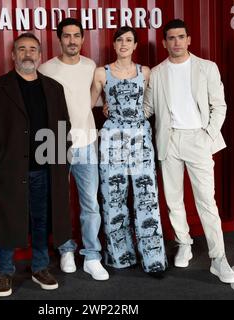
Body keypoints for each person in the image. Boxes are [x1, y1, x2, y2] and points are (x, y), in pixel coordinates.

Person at [143, 19, 234, 284]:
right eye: (171, 38)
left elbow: (220, 106)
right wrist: (115, 107)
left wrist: (207, 137)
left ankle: (218, 259)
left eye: (181, 37)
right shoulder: (157, 72)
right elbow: (147, 108)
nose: (176, 42)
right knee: (173, 199)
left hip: (198, 138)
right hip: (168, 140)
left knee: (206, 200)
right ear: (164, 43)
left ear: (189, 40)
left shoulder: (206, 68)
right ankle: (184, 243)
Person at [0, 33, 73, 297]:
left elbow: (62, 127)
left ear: (40, 55)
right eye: (22, 49)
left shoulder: (54, 88)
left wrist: (59, 162)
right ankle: (4, 271)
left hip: (45, 170)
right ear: (13, 55)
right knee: (9, 219)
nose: (27, 53)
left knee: (42, 221)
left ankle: (40, 267)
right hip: (11, 169)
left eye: (33, 49)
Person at [91, 26, 168, 278]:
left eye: (129, 40)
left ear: (135, 46)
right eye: (119, 40)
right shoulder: (101, 73)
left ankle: (153, 259)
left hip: (140, 136)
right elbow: (89, 104)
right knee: (114, 196)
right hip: (113, 137)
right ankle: (120, 256)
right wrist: (106, 107)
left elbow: (150, 103)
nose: (123, 44)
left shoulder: (145, 72)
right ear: (113, 45)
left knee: (146, 197)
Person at [39, 18, 109, 281]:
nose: (72, 40)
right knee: (58, 200)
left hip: (87, 140)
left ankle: (92, 256)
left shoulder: (91, 66)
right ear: (59, 39)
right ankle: (66, 249)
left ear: (82, 38)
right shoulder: (46, 69)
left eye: (76, 36)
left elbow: (95, 99)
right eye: (66, 36)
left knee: (90, 202)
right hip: (54, 141)